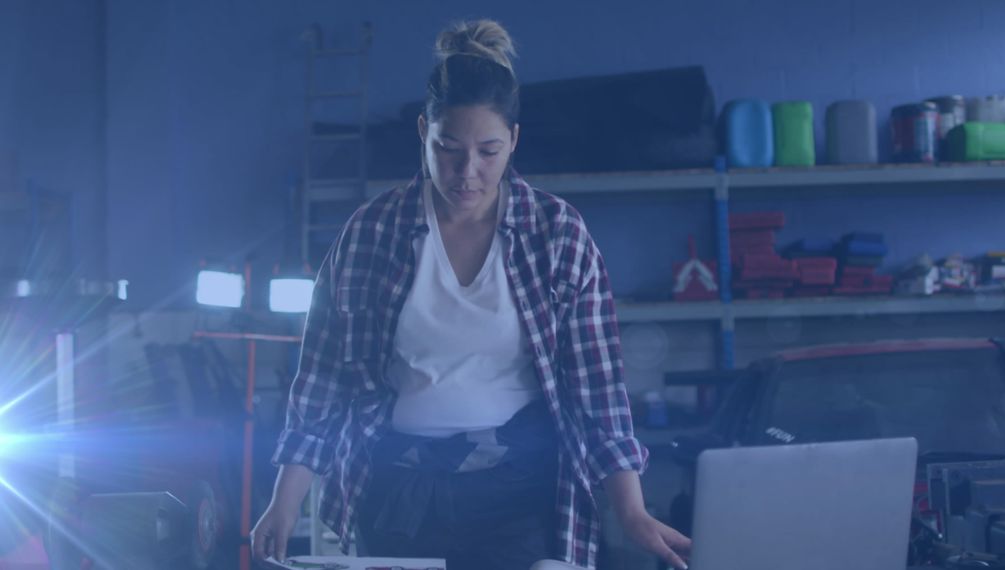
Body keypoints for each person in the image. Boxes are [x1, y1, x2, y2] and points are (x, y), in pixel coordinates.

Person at [252, 19, 691, 570]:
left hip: (517, 497)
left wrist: (631, 509)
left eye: (488, 151)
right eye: (448, 149)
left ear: (514, 141)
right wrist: (283, 502)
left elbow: (597, 389)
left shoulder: (557, 234)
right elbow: (321, 380)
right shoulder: (370, 234)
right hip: (396, 493)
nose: (467, 172)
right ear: (422, 132)